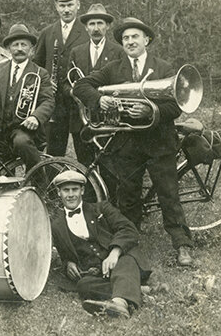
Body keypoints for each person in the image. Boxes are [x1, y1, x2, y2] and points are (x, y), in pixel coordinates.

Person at [73, 17, 195, 266]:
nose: (130, 42)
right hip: (128, 144)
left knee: (168, 194)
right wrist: (98, 99)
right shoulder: (113, 69)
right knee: (128, 196)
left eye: (135, 37)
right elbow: (81, 86)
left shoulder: (163, 67)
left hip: (159, 142)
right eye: (126, 38)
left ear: (146, 40)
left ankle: (182, 245)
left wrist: (152, 112)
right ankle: (129, 244)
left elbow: (175, 106)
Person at [51, 170, 152, 318]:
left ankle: (119, 303)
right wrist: (68, 264)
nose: (71, 194)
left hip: (120, 261)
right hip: (97, 273)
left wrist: (114, 252)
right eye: (66, 190)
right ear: (59, 192)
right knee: (83, 286)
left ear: (82, 190)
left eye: (75, 189)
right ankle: (134, 289)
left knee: (126, 260)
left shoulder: (101, 208)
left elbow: (129, 228)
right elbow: (65, 254)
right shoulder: (57, 225)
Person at [0, 24, 54, 172]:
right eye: (15, 45)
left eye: (24, 45)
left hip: (26, 131)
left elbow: (48, 101)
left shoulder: (40, 73)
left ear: (31, 48)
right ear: (8, 48)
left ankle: (40, 181)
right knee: (3, 175)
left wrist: (36, 117)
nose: (19, 49)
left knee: (21, 142)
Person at [66, 4, 124, 167]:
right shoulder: (76, 51)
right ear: (86, 27)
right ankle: (90, 193)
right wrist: (74, 91)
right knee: (84, 164)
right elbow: (65, 82)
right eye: (92, 24)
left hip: (108, 119)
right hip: (81, 119)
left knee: (108, 165)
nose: (96, 28)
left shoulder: (118, 51)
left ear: (107, 26)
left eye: (100, 23)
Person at [34, 0, 89, 157]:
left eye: (70, 5)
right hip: (54, 102)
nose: (66, 10)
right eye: (62, 6)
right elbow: (37, 64)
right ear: (56, 7)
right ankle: (53, 184)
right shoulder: (47, 32)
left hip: (78, 101)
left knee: (84, 150)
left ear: (78, 5)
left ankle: (86, 184)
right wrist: (45, 83)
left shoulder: (87, 31)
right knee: (54, 151)